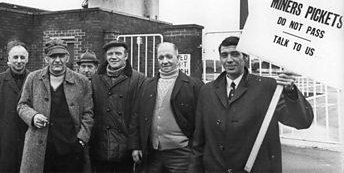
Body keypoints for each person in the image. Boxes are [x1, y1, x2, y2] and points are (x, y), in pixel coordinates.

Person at [189, 36, 314, 173]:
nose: (229, 60)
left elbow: (302, 121)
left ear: (246, 58)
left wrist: (290, 91)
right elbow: (199, 142)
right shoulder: (207, 91)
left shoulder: (268, 87)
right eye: (224, 55)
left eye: (235, 54)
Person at [17, 38, 94, 172]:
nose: (57, 60)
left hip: (70, 147)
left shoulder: (81, 82)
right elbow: (22, 105)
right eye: (53, 56)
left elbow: (88, 113)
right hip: (40, 148)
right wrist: (33, 117)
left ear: (67, 57)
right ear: (46, 59)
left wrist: (81, 139)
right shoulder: (33, 78)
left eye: (61, 56)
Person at [128, 42, 203, 172]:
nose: (165, 61)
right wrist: (136, 146)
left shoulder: (193, 86)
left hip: (182, 154)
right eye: (161, 58)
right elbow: (136, 116)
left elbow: (201, 122)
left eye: (169, 56)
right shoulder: (147, 85)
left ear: (177, 58)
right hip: (152, 154)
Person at [89, 40, 147, 173]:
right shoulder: (96, 79)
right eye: (110, 54)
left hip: (126, 148)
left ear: (126, 56)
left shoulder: (139, 79)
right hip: (99, 146)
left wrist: (136, 145)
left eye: (118, 53)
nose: (113, 57)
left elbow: (140, 115)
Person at [0, 40, 31, 172]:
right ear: (9, 59)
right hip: (5, 142)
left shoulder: (34, 80)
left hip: (28, 142)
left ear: (27, 59)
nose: (19, 61)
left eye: (22, 57)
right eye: (15, 57)